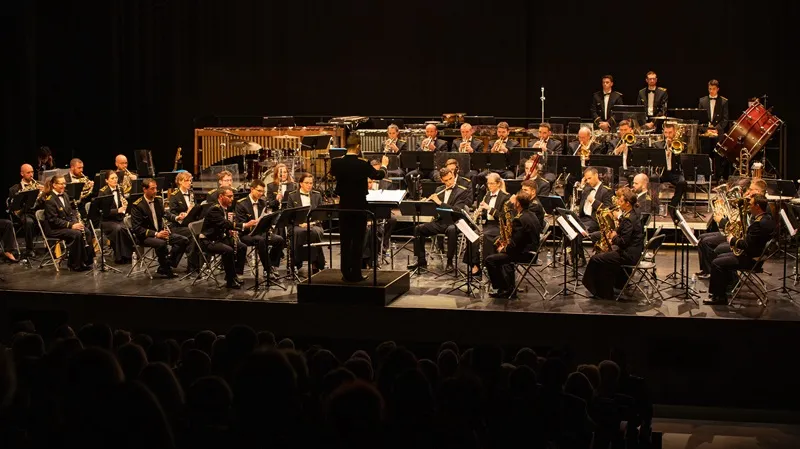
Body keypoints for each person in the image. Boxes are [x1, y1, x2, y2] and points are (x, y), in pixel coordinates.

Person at [329, 138, 389, 282]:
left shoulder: (337, 162)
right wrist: (384, 166)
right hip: (359, 205)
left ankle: (345, 272)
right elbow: (377, 175)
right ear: (358, 147)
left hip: (343, 205)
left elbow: (332, 173)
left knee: (345, 239)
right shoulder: (362, 163)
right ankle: (355, 273)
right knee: (357, 240)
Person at [705, 194, 774, 305]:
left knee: (717, 262)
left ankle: (719, 297)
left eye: (750, 204)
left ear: (757, 206)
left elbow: (747, 246)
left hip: (751, 260)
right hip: (755, 256)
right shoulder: (767, 219)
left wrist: (732, 240)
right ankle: (724, 289)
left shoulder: (758, 224)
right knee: (720, 256)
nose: (748, 207)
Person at [582, 187, 644, 300]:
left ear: (627, 203)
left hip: (628, 255)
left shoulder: (628, 219)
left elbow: (623, 242)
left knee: (595, 259)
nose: (618, 204)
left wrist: (614, 237)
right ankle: (611, 286)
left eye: (621, 201)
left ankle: (600, 291)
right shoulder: (633, 213)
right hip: (634, 252)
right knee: (605, 255)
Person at [696, 179, 765, 278]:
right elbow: (735, 218)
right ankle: (707, 270)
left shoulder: (755, 206)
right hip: (734, 233)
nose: (748, 191)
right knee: (702, 237)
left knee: (707, 242)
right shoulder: (749, 202)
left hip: (738, 237)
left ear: (758, 191)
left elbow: (741, 226)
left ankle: (714, 273)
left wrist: (722, 221)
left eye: (751, 189)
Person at [407, 167, 470, 272]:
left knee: (451, 230)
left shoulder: (462, 191)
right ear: (442, 180)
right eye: (446, 180)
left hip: (455, 222)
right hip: (440, 221)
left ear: (454, 176)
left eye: (451, 178)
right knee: (418, 229)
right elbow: (434, 209)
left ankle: (450, 262)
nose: (449, 182)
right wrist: (426, 203)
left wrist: (440, 203)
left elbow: (457, 210)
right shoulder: (439, 190)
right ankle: (421, 260)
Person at [129, 178, 188, 278]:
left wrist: (177, 217)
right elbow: (137, 229)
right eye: (152, 189)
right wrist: (156, 234)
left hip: (159, 233)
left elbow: (165, 214)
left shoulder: (158, 200)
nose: (155, 191)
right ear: (144, 189)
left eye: (156, 188)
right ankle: (166, 269)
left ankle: (166, 264)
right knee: (161, 243)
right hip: (145, 236)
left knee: (183, 240)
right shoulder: (137, 205)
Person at [484, 191, 540, 299]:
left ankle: (503, 289)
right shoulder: (531, 214)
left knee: (490, 260)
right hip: (530, 250)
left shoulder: (519, 219)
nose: (512, 202)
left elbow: (514, 246)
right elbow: (519, 240)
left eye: (515, 200)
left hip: (526, 254)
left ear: (518, 203)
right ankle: (508, 285)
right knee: (498, 251)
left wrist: (503, 248)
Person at [41, 175, 95, 271]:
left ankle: (86, 261)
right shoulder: (50, 200)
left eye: (64, 183)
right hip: (54, 229)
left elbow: (71, 212)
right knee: (76, 234)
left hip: (65, 225)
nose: (64, 186)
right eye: (61, 184)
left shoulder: (65, 195)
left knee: (86, 231)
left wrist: (76, 222)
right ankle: (75, 264)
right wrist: (71, 225)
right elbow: (53, 220)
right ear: (54, 185)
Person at [201, 186, 250, 288]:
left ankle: (234, 275)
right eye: (229, 196)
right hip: (209, 240)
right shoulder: (214, 209)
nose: (232, 199)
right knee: (228, 251)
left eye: (232, 196)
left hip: (219, 238)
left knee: (242, 247)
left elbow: (224, 225)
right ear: (221, 196)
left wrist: (230, 232)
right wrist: (245, 225)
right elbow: (225, 224)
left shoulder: (225, 208)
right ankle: (230, 281)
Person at [235, 179, 286, 276]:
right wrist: (252, 224)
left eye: (262, 191)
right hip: (246, 234)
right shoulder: (241, 204)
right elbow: (240, 224)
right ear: (252, 189)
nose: (261, 193)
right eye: (259, 191)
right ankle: (268, 270)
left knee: (279, 240)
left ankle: (272, 265)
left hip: (260, 233)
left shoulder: (263, 203)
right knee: (261, 240)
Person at [466, 173, 510, 277]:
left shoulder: (505, 197)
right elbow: (485, 214)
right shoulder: (487, 196)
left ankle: (487, 266)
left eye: (492, 183)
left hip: (499, 227)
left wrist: (489, 209)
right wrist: (480, 213)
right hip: (488, 225)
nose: (489, 186)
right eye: (488, 183)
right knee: (472, 235)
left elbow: (503, 217)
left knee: (484, 236)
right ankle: (474, 265)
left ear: (498, 184)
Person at [286, 172, 327, 274]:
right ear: (301, 183)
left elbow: (320, 214)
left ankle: (315, 262)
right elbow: (289, 214)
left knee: (314, 232)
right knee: (299, 232)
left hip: (314, 224)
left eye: (311, 183)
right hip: (297, 225)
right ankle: (297, 262)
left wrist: (312, 223)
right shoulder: (292, 196)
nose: (309, 185)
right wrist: (299, 224)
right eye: (307, 183)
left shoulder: (317, 195)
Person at [96, 171, 134, 264]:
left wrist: (125, 206)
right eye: (112, 178)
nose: (115, 180)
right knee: (119, 228)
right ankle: (119, 257)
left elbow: (121, 204)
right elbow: (102, 211)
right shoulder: (103, 192)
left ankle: (127, 256)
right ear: (106, 180)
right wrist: (118, 210)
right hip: (107, 221)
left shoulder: (120, 189)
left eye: (116, 178)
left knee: (128, 227)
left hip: (119, 219)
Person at [166, 171, 199, 272]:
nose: (189, 183)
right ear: (180, 182)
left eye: (190, 181)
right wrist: (182, 215)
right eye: (187, 181)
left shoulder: (192, 194)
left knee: (195, 233)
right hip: (177, 226)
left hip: (189, 224)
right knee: (192, 234)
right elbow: (171, 214)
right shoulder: (174, 195)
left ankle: (192, 265)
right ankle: (193, 266)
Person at [653, 123, 687, 221]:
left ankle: (672, 206)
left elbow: (682, 162)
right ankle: (656, 205)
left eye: (670, 133)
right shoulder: (657, 144)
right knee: (652, 178)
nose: (668, 135)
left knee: (682, 182)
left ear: (675, 132)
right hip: (662, 173)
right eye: (666, 133)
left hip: (675, 173)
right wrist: (665, 150)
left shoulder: (680, 145)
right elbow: (655, 161)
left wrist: (673, 152)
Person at [698, 79, 731, 180]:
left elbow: (725, 119)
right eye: (710, 89)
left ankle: (718, 178)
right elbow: (699, 118)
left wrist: (716, 129)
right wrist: (706, 130)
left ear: (718, 89)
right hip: (706, 132)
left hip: (718, 133)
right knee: (705, 154)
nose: (711, 91)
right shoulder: (702, 101)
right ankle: (706, 178)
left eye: (713, 89)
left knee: (718, 156)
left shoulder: (724, 101)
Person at [362, 177, 397, 268]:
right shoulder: (360, 194)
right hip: (364, 221)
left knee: (392, 219)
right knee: (369, 230)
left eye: (370, 182)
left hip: (377, 220)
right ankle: (370, 259)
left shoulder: (376, 194)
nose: (368, 185)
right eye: (366, 183)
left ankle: (383, 247)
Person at [8, 164, 41, 256]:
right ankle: (29, 249)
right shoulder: (14, 189)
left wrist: (41, 195)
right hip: (24, 214)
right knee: (29, 222)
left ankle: (51, 247)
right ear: (22, 174)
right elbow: (14, 206)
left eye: (32, 172)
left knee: (50, 216)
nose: (31, 175)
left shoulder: (38, 184)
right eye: (28, 172)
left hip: (37, 212)